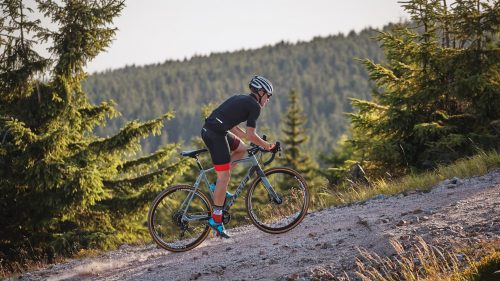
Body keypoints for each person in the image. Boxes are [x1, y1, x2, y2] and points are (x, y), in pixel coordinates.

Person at [201, 75, 276, 238]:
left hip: (213, 129)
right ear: (261, 92)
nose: (268, 100)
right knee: (225, 176)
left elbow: (232, 125)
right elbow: (251, 134)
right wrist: (268, 146)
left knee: (241, 149)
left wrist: (252, 141)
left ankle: (216, 187)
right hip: (215, 134)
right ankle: (216, 219)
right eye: (268, 96)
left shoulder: (241, 99)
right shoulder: (255, 106)